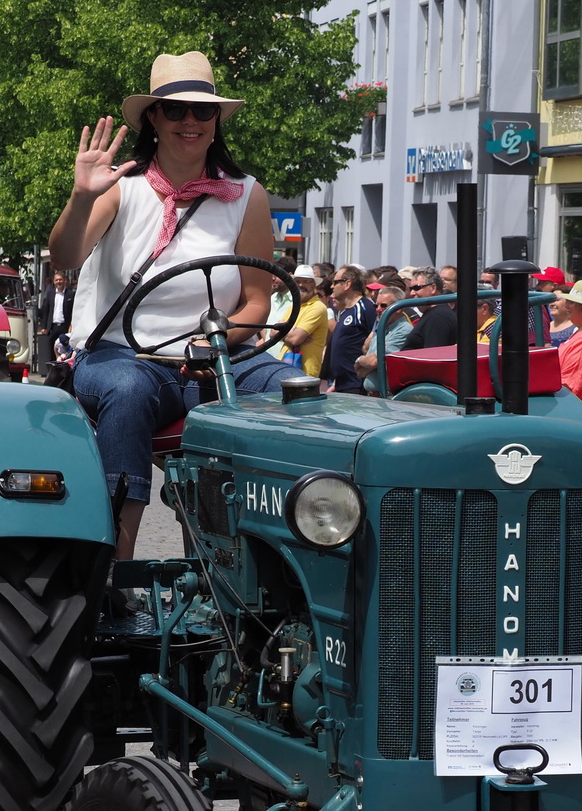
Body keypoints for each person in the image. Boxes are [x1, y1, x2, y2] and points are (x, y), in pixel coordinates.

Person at [53, 51, 291, 560]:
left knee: (294, 391)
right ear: (154, 118)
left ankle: (290, 546)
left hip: (220, 359)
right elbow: (67, 255)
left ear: (216, 122)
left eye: (202, 111)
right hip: (124, 356)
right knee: (128, 389)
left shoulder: (247, 195)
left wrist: (218, 343)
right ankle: (115, 566)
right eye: (176, 109)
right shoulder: (122, 186)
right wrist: (80, 196)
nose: (190, 121)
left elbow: (255, 301)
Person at [323, 265, 376, 393]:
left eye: (335, 282)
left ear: (347, 284)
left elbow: (376, 339)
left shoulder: (365, 308)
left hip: (356, 385)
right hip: (342, 384)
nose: (331, 286)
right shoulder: (345, 312)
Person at [353, 280, 412, 385]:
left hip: (387, 397)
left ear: (398, 308)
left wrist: (359, 360)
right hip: (373, 397)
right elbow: (360, 372)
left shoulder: (405, 330)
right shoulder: (381, 329)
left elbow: (373, 361)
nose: (378, 310)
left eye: (383, 306)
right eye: (376, 306)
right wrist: (365, 362)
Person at [284, 265, 331, 378]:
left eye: (306, 281)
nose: (301, 285)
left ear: (314, 285)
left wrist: (285, 333)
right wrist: (293, 333)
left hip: (306, 375)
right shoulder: (293, 307)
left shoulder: (318, 307)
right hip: (289, 371)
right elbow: (272, 333)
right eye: (297, 281)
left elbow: (295, 339)